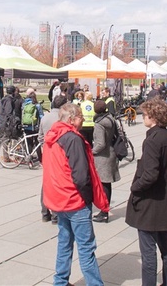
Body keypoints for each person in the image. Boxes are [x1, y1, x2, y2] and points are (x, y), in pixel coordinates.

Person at [42, 103, 109, 286]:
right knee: (86, 248)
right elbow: (81, 175)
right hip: (74, 200)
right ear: (71, 119)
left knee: (64, 243)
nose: (82, 120)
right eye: (80, 117)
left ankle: (60, 281)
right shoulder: (72, 138)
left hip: (59, 199)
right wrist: (88, 198)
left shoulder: (53, 136)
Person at [126, 99, 167, 286]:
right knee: (166, 247)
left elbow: (150, 175)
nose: (142, 117)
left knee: (148, 252)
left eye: (145, 114)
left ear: (153, 117)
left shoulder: (153, 140)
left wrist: (135, 187)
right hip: (165, 200)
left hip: (150, 202)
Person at [92, 100, 121, 223]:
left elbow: (100, 143)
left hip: (102, 157)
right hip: (111, 153)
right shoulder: (110, 119)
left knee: (103, 185)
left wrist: (91, 151)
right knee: (107, 184)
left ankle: (104, 212)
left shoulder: (99, 124)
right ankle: (105, 210)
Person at [39, 95, 67, 224]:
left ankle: (45, 212)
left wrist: (45, 147)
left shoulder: (45, 117)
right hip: (59, 154)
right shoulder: (62, 119)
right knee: (57, 183)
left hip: (47, 153)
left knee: (46, 182)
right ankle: (56, 214)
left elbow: (40, 137)